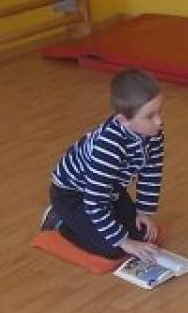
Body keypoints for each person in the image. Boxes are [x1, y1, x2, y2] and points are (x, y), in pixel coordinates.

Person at [40, 67, 165, 262]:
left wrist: (143, 212)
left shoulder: (153, 133)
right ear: (123, 120)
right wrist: (124, 242)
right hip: (73, 195)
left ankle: (104, 225)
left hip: (110, 189)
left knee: (140, 234)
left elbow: (151, 173)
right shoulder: (108, 147)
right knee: (113, 248)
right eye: (150, 116)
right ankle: (59, 220)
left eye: (159, 111)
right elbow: (94, 201)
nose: (159, 121)